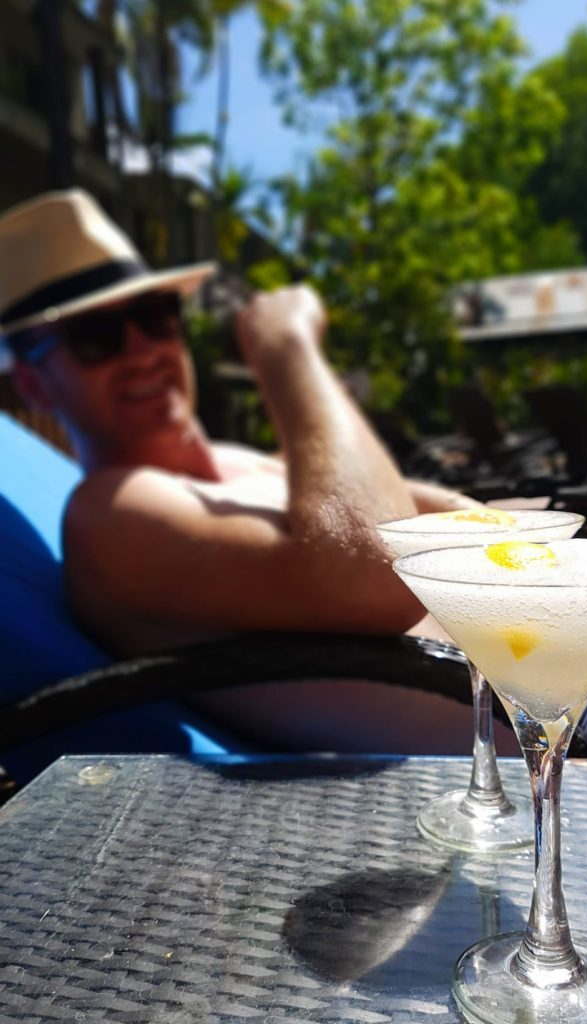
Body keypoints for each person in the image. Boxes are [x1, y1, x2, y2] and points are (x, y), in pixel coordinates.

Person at [1, 188, 508, 755]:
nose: (144, 350)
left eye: (155, 316)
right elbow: (376, 568)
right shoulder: (108, 512)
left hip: (576, 669)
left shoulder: (241, 463)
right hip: (552, 762)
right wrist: (287, 350)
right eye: (96, 337)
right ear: (31, 385)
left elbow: (461, 519)